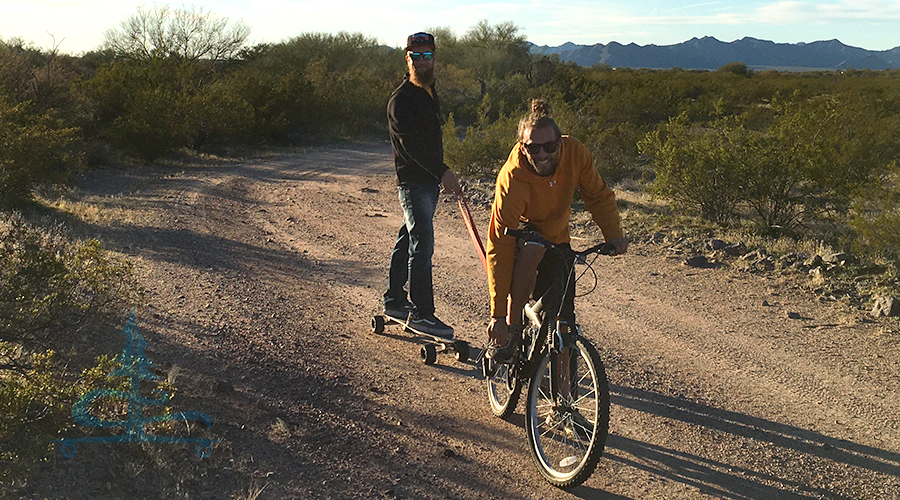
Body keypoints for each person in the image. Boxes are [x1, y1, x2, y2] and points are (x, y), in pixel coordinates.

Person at [485, 99, 628, 362]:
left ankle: (563, 398)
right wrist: (498, 315)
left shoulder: (575, 152)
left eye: (549, 146)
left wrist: (613, 235)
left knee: (563, 322)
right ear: (522, 146)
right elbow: (499, 244)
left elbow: (597, 195)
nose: (541, 154)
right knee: (533, 248)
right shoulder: (512, 177)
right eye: (533, 147)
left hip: (558, 237)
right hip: (522, 233)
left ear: (559, 143)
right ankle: (515, 327)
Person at [383, 32, 462, 339]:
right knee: (422, 245)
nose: (421, 62)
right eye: (415, 56)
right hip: (413, 183)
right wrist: (444, 172)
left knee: (408, 238)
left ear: (434, 58)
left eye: (426, 56)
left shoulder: (429, 92)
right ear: (407, 59)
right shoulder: (401, 100)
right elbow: (410, 147)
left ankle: (394, 300)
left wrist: (439, 175)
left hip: (428, 183)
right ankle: (422, 314)